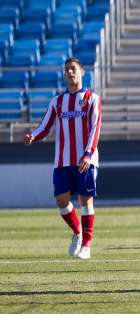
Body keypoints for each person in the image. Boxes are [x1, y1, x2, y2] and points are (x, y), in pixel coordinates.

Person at [24, 57, 102, 260]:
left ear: (82, 72)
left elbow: (95, 129)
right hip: (62, 160)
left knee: (85, 201)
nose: (69, 72)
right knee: (61, 200)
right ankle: (77, 232)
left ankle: (86, 245)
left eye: (73, 69)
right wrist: (33, 136)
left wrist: (87, 153)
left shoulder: (92, 98)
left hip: (85, 159)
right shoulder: (57, 102)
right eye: (66, 69)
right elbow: (45, 126)